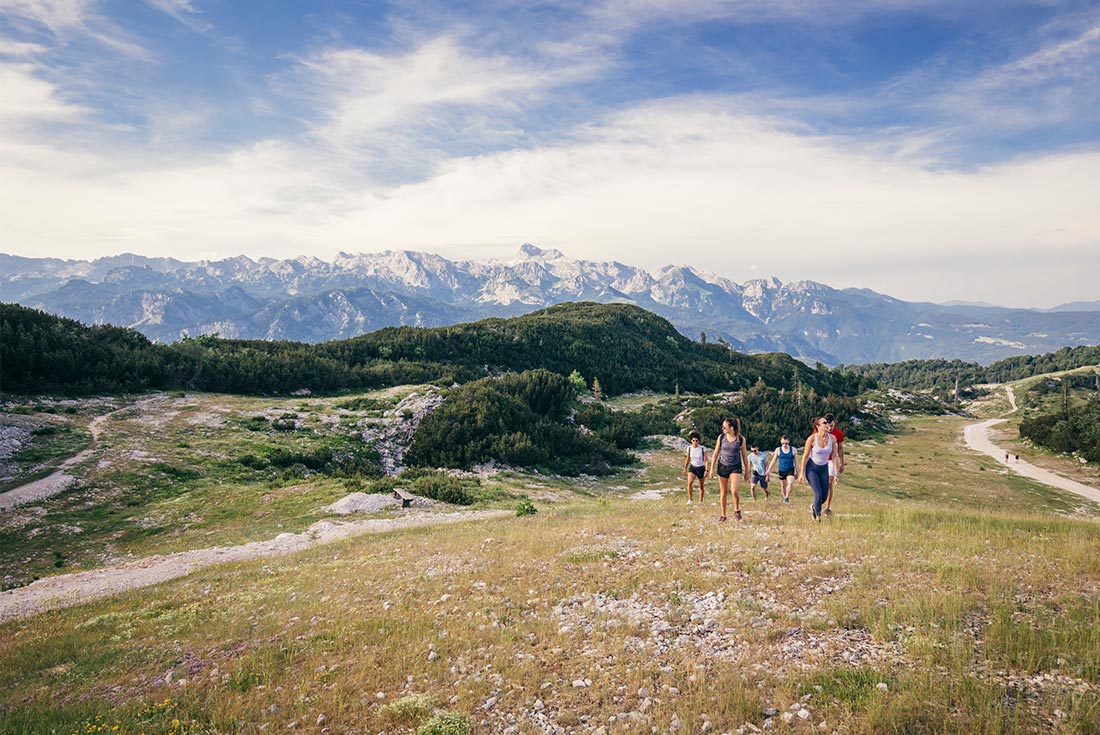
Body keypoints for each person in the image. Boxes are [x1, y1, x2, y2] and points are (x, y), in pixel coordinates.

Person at [709, 417, 750, 523]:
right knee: (723, 492)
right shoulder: (721, 437)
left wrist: (747, 471)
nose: (722, 428)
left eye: (725, 427)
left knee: (734, 490)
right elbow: (716, 452)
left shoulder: (741, 439)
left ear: (732, 428)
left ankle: (737, 509)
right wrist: (711, 468)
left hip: (735, 467)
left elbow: (745, 456)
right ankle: (723, 515)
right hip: (722, 466)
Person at [798, 417, 835, 522]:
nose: (827, 424)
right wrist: (801, 473)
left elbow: (835, 456)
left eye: (827, 422)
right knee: (818, 494)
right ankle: (817, 516)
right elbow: (805, 456)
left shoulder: (832, 439)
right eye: (824, 423)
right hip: (812, 469)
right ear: (818, 426)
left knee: (824, 497)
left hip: (824, 469)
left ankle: (814, 507)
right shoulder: (811, 439)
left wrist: (836, 473)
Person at [821, 412, 845, 517]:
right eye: (828, 426)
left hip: (832, 460)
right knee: (822, 483)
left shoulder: (838, 433)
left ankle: (827, 507)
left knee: (829, 481)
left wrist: (842, 463)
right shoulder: (819, 431)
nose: (830, 428)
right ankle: (819, 503)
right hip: (821, 460)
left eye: (832, 426)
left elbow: (840, 448)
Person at [766, 434, 798, 503]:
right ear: (781, 442)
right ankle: (784, 497)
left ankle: (786, 497)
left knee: (791, 483)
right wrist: (768, 470)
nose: (784, 445)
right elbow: (774, 460)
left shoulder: (793, 450)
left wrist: (798, 472)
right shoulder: (778, 450)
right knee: (783, 485)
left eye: (786, 443)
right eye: (783, 443)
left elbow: (796, 462)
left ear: (788, 442)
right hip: (781, 470)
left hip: (790, 470)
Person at [683, 431, 707, 505]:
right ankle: (690, 499)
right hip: (693, 467)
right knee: (689, 483)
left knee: (701, 486)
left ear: (698, 441)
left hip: (701, 468)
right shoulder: (689, 448)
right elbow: (688, 458)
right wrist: (685, 468)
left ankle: (701, 501)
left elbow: (706, 460)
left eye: (696, 441)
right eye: (693, 440)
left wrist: (706, 470)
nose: (695, 442)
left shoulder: (702, 449)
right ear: (691, 441)